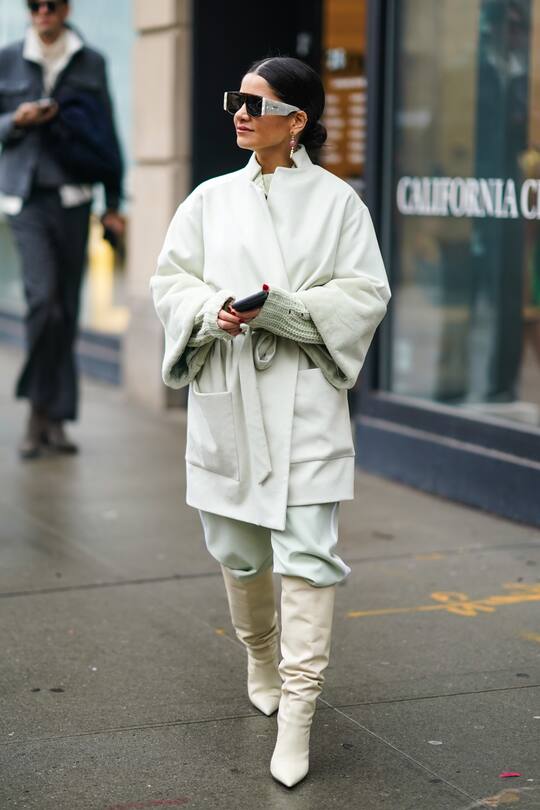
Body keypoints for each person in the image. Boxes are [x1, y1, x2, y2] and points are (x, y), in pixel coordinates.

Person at [151, 56, 390, 787]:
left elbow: (365, 295)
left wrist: (279, 309)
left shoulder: (339, 203)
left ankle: (298, 712)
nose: (240, 112)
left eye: (257, 102)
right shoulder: (208, 200)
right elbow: (170, 281)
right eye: (236, 99)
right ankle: (260, 654)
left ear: (299, 120)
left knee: (311, 557)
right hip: (229, 401)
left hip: (306, 402)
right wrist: (209, 309)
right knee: (240, 552)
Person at [0, 0, 124, 458]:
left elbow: (108, 132)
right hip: (25, 198)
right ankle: (37, 413)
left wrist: (114, 202)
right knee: (43, 302)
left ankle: (56, 419)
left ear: (66, 9)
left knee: (66, 310)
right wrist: (16, 119)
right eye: (34, 5)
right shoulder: (8, 58)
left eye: (51, 5)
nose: (43, 12)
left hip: (74, 198)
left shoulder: (90, 60)